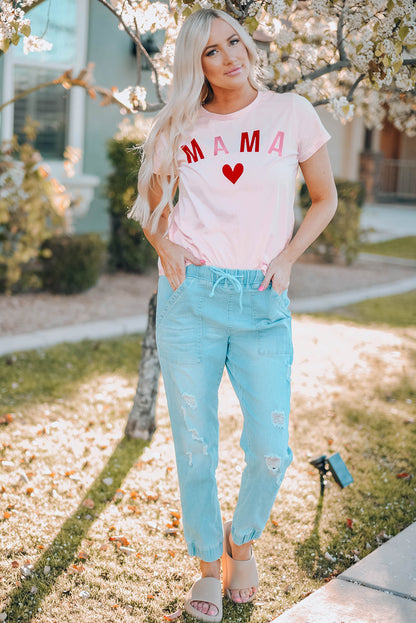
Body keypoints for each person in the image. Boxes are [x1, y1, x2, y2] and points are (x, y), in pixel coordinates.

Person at [129, 8, 337, 622]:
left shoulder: (292, 113)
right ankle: (206, 565)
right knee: (196, 447)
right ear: (197, 66)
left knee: (272, 448)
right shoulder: (180, 125)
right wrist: (166, 247)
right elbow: (149, 205)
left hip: (263, 298)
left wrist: (289, 257)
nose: (230, 57)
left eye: (233, 42)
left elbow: (325, 198)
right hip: (191, 299)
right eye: (212, 52)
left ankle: (240, 541)